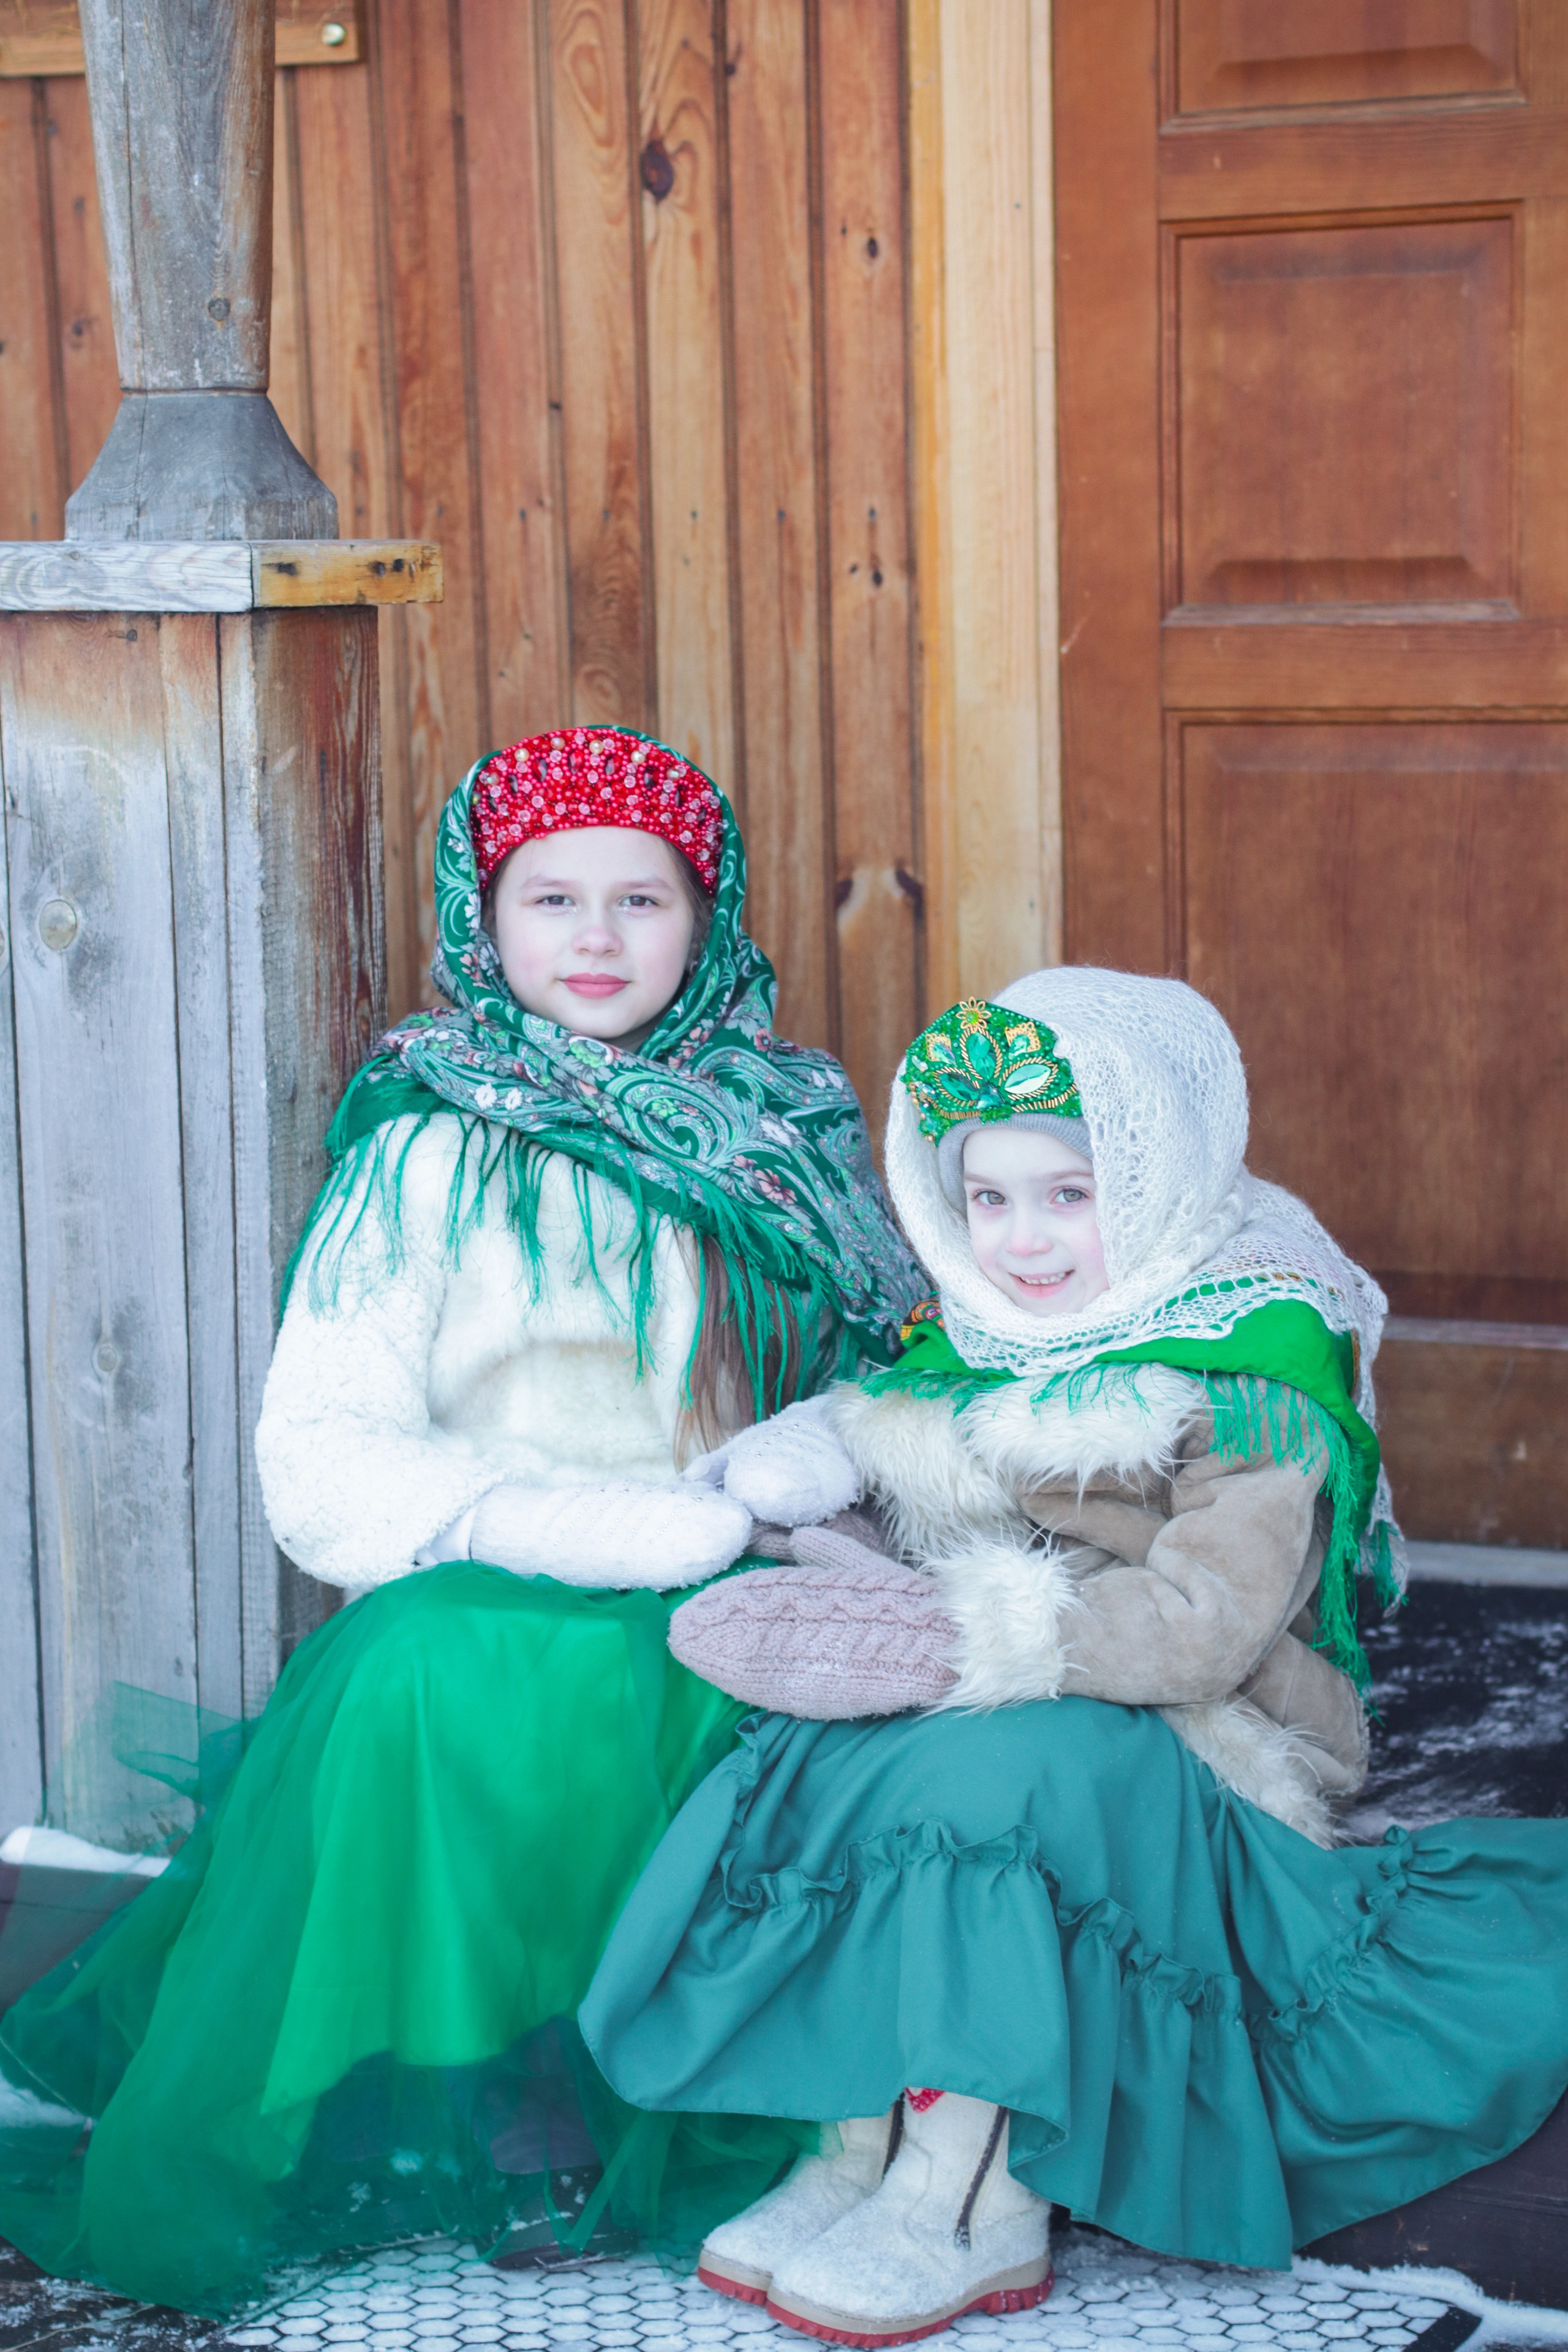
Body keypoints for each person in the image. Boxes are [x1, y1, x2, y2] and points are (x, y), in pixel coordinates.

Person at [0, 726, 921, 2318]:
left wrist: (823, 1484)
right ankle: (502, 2079)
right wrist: (568, 1524)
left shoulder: (790, 1130)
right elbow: (323, 1457)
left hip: (735, 1553)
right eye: (550, 899)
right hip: (497, 1573)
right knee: (443, 1677)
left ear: (710, 919)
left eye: (643, 900)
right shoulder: (435, 1145)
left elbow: (883, 1371)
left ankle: (709, 2066)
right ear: (483, 922)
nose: (597, 940)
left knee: (770, 1682)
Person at [580, 968, 1568, 2351]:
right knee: (838, 1753)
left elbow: (1206, 1625)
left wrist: (975, 1636)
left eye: (1068, 1195)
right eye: (987, 1199)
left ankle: (969, 2194)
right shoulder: (982, 1332)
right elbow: (916, 1477)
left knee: (1001, 1789)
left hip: (1197, 1723)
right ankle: (855, 2144)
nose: (1024, 1242)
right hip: (1009, 1679)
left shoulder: (1249, 1358)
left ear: (1154, 1173)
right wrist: (837, 1502)